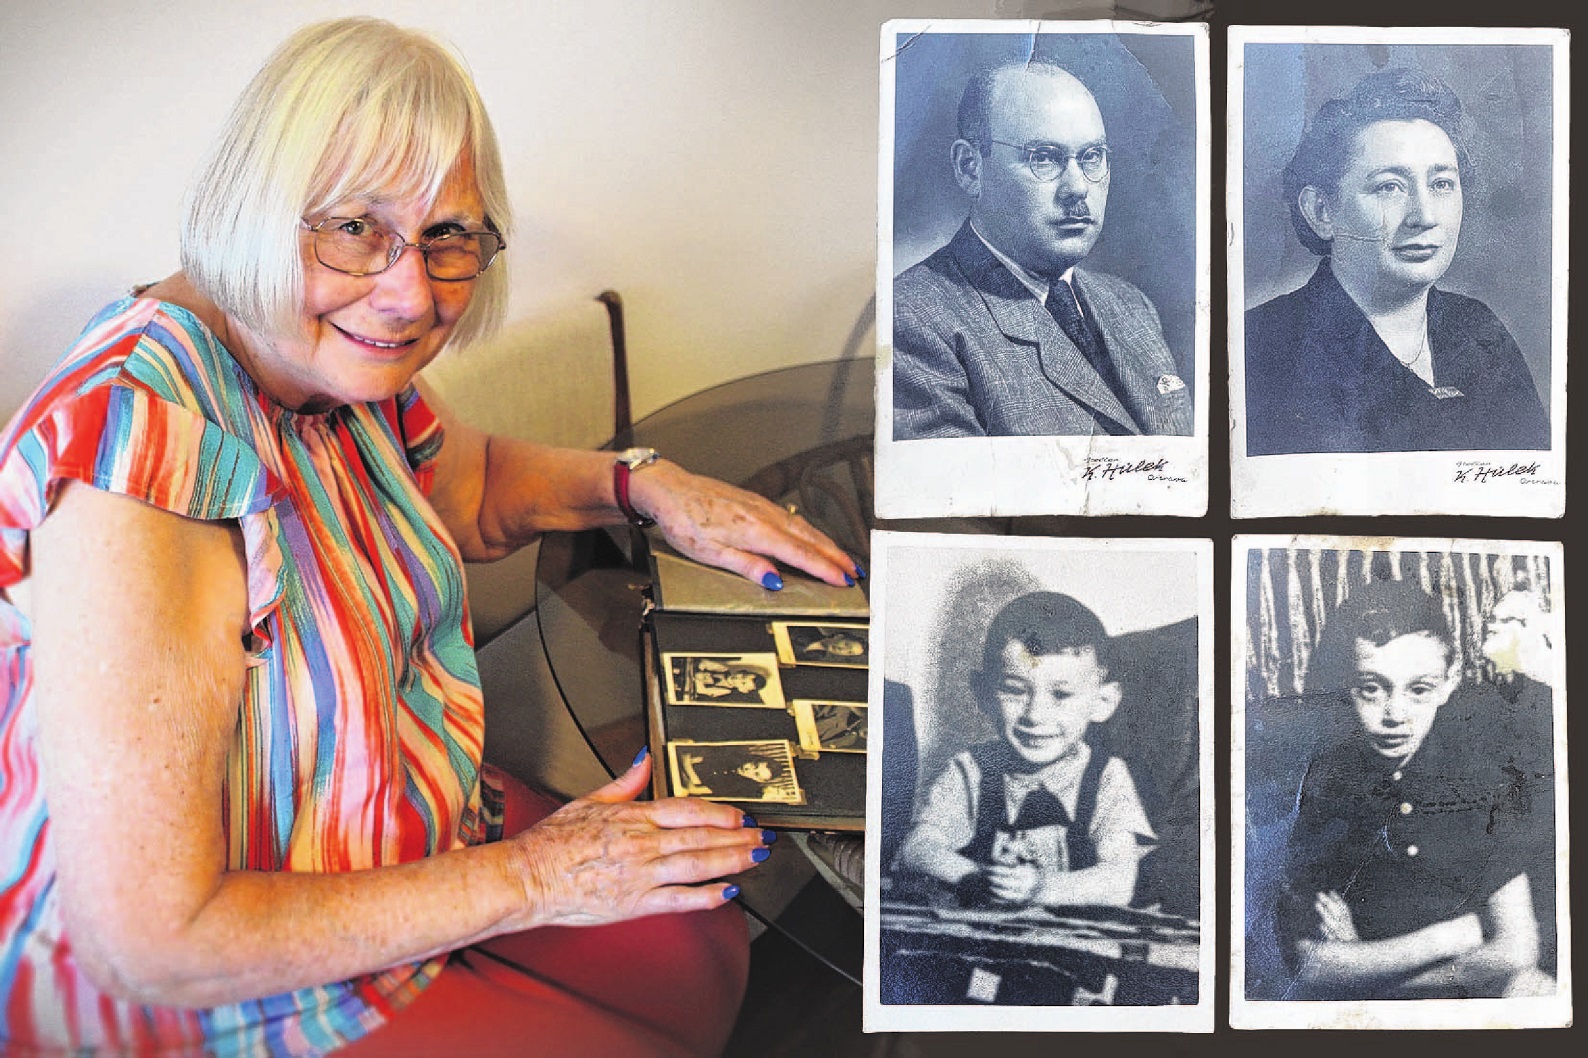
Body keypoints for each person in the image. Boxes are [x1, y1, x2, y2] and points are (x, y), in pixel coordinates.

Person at [0, 18, 861, 1058]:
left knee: (702, 937)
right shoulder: (137, 467)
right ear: (250, 211)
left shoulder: (332, 363)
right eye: (354, 227)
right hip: (215, 973)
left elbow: (480, 482)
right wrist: (542, 878)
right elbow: (153, 941)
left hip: (394, 819)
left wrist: (651, 486)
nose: (410, 294)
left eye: (450, 234)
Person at [1244, 66, 1550, 455]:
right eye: (1389, 187)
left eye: (1441, 184)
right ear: (1321, 211)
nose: (1424, 216)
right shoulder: (1261, 346)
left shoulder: (1480, 330)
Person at [1275, 579, 1554, 1000]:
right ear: (1345, 683)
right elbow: (1312, 968)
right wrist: (1453, 936)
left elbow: (1517, 950)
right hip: (1373, 1016)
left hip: (1466, 1002)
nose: (1395, 714)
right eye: (1371, 688)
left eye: (1419, 690)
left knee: (1534, 991)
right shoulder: (1327, 786)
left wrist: (1366, 966)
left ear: (1449, 682)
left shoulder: (1478, 778)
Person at [891, 59, 1192, 440]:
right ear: (970, 168)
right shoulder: (914, 319)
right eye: (1045, 157)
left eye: (1092, 157)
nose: (1078, 188)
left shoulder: (1132, 306)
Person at [893, 592, 1155, 912]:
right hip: (985, 938)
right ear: (984, 694)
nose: (1035, 715)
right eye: (1015, 691)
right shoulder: (971, 769)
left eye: (1061, 694)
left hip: (1075, 946)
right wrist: (975, 877)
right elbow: (917, 849)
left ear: (1103, 702)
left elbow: (1118, 881)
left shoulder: (1107, 776)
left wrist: (1040, 887)